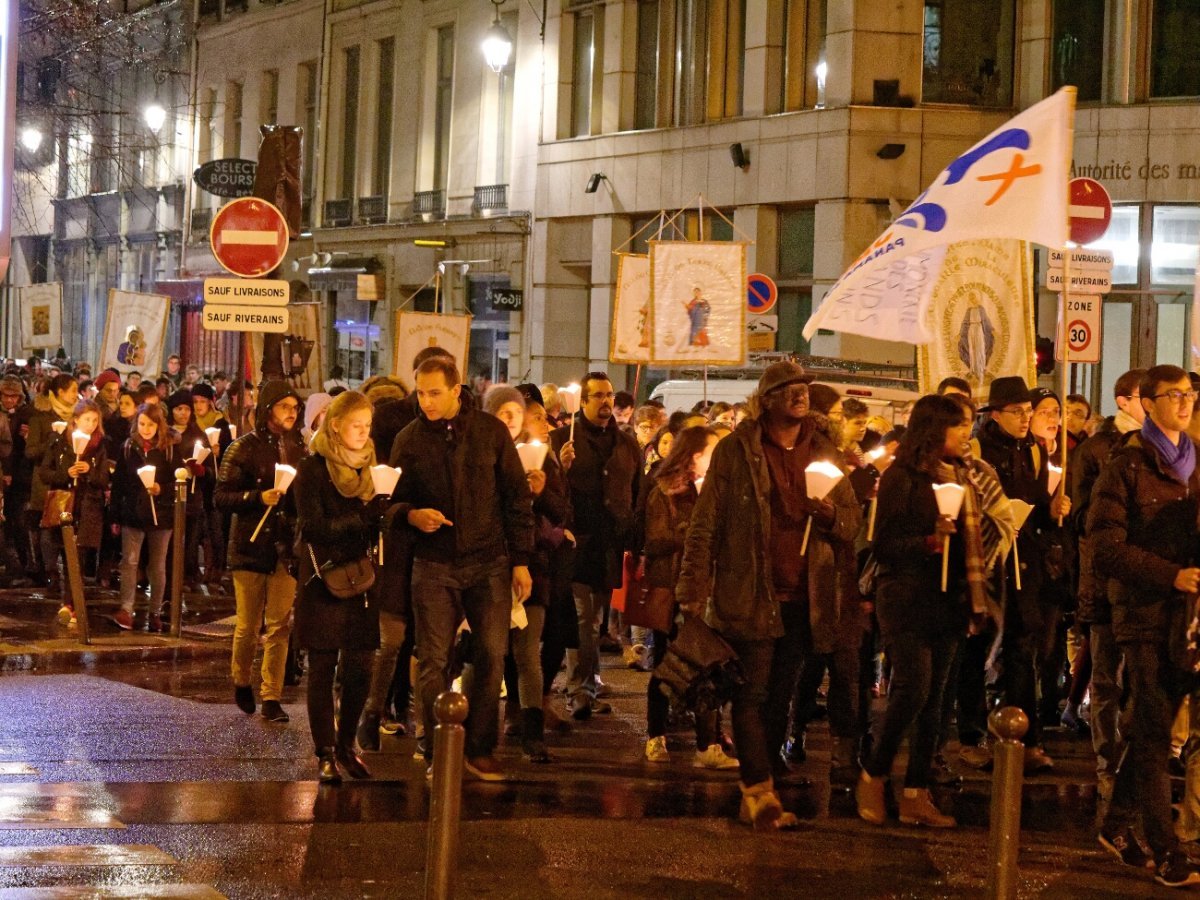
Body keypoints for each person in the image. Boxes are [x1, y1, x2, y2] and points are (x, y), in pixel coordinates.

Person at [677, 361, 860, 830]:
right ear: (767, 399)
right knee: (752, 693)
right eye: (787, 388)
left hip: (806, 594)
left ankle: (762, 781)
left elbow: (852, 523)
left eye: (803, 388)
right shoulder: (737, 451)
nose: (799, 394)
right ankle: (758, 790)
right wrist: (692, 589)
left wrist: (830, 517)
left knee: (782, 693)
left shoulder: (825, 451)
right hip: (750, 590)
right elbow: (705, 523)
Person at [859, 393, 1013, 827]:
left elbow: (979, 536)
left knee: (937, 701)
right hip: (906, 597)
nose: (967, 434)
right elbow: (883, 545)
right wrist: (929, 541)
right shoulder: (901, 477)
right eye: (958, 426)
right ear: (932, 429)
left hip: (952, 598)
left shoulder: (968, 476)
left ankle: (916, 790)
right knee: (913, 689)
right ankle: (873, 773)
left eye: (968, 425)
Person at [390, 357, 534, 780]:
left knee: (491, 655)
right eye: (421, 392)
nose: (427, 401)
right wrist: (412, 514)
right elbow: (388, 501)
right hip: (434, 563)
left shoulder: (490, 433)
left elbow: (516, 498)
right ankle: (436, 747)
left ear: (456, 390)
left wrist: (521, 561)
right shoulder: (410, 439)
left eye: (435, 392)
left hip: (488, 561)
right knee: (433, 659)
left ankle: (480, 747)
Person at [1090, 365, 1200, 887]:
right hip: (1143, 613)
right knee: (1155, 732)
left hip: (1189, 621)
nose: (1184, 402)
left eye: (1189, 394)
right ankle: (1166, 848)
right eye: (1172, 395)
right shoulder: (1126, 466)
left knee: (1153, 728)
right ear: (1147, 403)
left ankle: (1114, 825)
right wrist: (1169, 574)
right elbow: (1107, 547)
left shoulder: (1197, 463)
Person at [293, 391, 391, 784]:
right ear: (335, 425)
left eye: (367, 425)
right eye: (356, 425)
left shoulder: (372, 469)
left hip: (363, 578)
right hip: (324, 578)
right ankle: (325, 751)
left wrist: (385, 514)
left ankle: (348, 743)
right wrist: (362, 516)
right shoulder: (312, 469)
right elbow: (313, 527)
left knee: (360, 667)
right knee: (322, 665)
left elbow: (378, 524)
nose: (363, 432)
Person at [975, 376, 1070, 771]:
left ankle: (1025, 738)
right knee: (977, 650)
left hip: (1024, 562)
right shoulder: (978, 449)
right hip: (988, 561)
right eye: (1017, 412)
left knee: (1024, 646)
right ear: (995, 414)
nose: (1025, 418)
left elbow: (1036, 505)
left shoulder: (1032, 450)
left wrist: (1051, 510)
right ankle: (971, 733)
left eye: (1028, 412)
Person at [642, 425, 738, 769]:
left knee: (705, 667)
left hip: (704, 591)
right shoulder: (664, 493)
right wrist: (694, 533)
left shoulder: (712, 491)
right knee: (668, 668)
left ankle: (707, 745)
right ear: (696, 455)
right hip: (671, 591)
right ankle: (655, 736)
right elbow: (653, 541)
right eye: (713, 451)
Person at [1070, 367, 1147, 795]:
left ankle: (1135, 761)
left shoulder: (1162, 451)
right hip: (1103, 582)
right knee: (1106, 679)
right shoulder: (1097, 451)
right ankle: (1106, 762)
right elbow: (1084, 520)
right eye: (1143, 396)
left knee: (1142, 679)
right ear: (1123, 400)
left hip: (1145, 583)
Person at [550, 372, 642, 720]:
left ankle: (589, 684)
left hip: (609, 542)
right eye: (598, 396)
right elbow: (546, 489)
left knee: (598, 620)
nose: (605, 402)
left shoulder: (626, 443)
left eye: (608, 395)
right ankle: (579, 691)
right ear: (583, 402)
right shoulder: (562, 438)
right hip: (575, 539)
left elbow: (636, 489)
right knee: (582, 618)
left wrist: (634, 534)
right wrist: (561, 465)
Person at [215, 380, 307, 724]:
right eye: (285, 407)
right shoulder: (243, 448)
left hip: (284, 549)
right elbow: (221, 497)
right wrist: (257, 498)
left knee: (280, 625)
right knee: (249, 625)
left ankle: (272, 695)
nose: (291, 414)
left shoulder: (298, 448)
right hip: (250, 547)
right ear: (268, 409)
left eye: (295, 408)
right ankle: (241, 679)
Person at [112, 403, 185, 632]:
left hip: (161, 514)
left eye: (151, 425)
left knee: (158, 564)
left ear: (159, 425)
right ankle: (126, 608)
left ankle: (155, 611)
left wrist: (161, 489)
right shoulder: (128, 447)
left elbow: (180, 480)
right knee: (130, 562)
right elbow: (119, 485)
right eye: (142, 424)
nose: (146, 429)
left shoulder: (169, 448)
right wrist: (115, 515)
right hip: (133, 512)